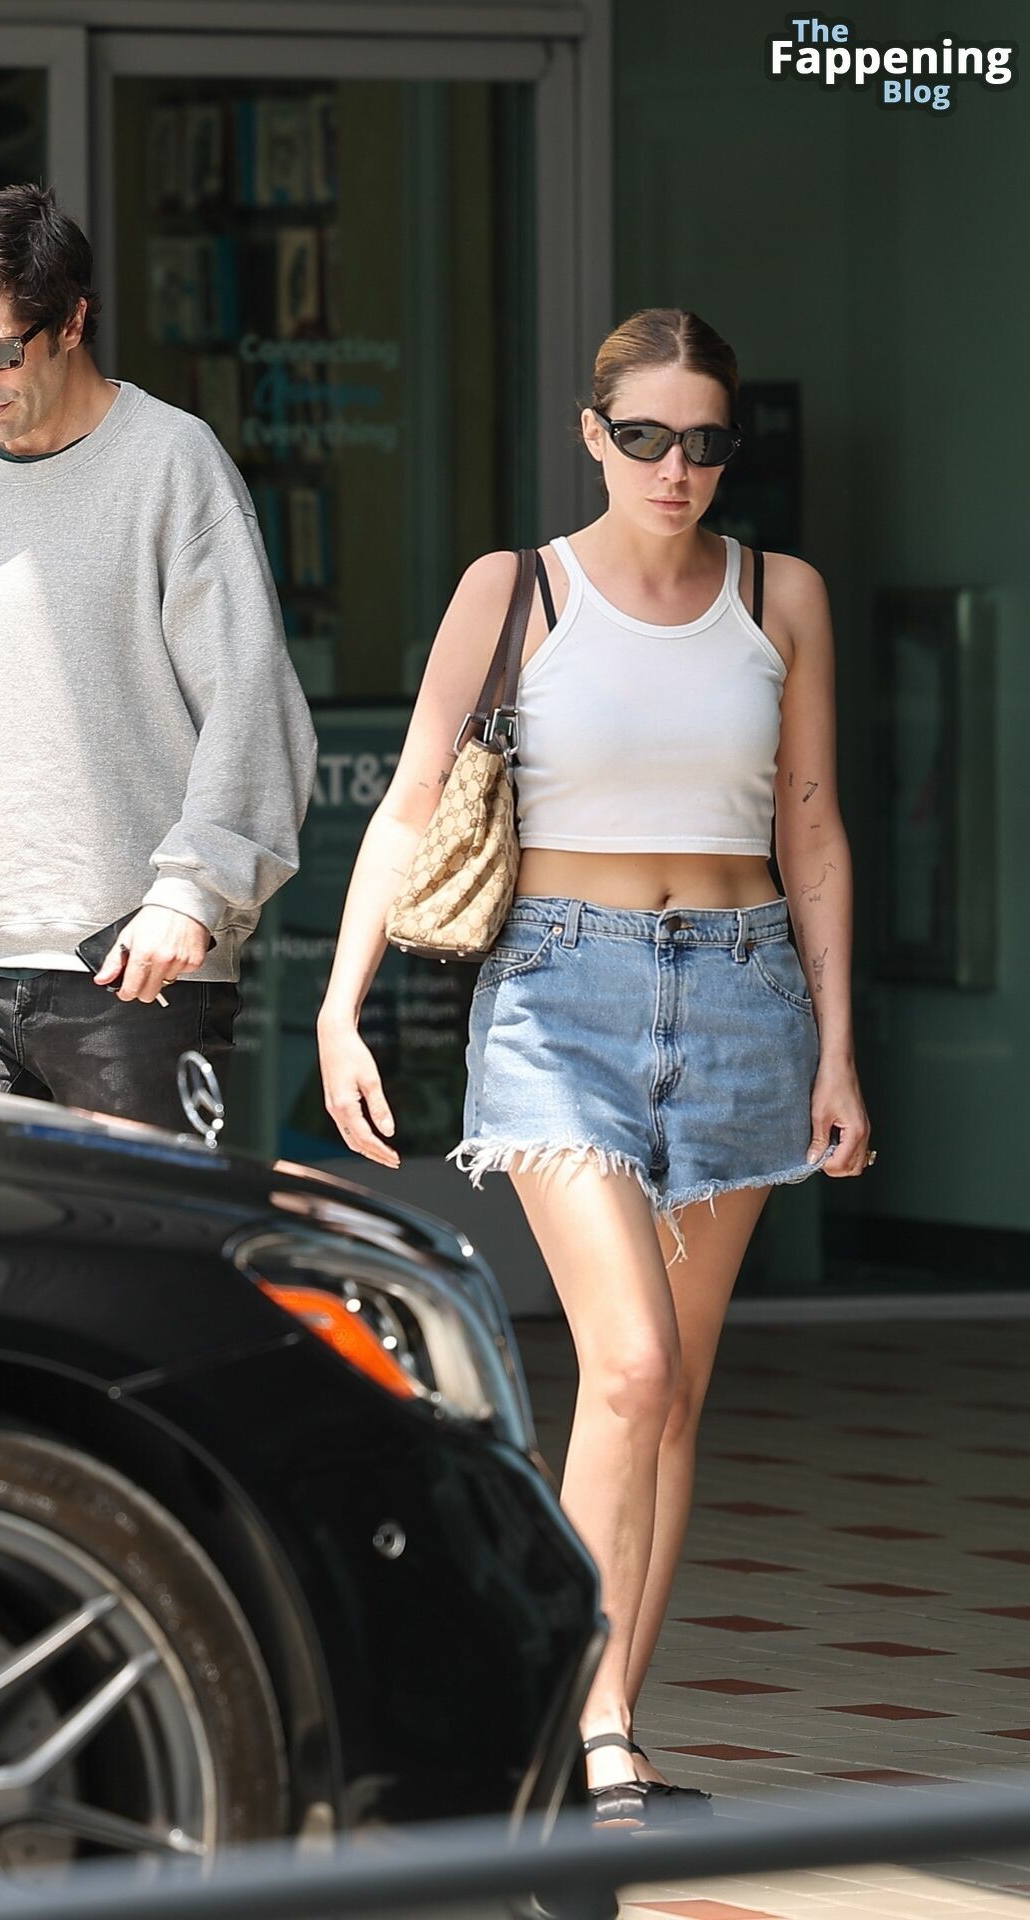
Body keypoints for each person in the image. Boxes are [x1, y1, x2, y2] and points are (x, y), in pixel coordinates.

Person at [316, 307, 873, 1826]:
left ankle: (607, 1723)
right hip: (559, 995)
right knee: (622, 1365)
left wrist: (836, 1050)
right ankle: (576, 1713)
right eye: (642, 437)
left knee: (670, 1396)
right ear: (591, 434)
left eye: (703, 441)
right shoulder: (517, 589)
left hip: (747, 994)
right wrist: (340, 1004)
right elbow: (408, 804)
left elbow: (811, 828)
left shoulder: (781, 596)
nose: (673, 468)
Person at [0, 183, 316, 1128]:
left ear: (71, 320)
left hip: (132, 964)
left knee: (129, 1230)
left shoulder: (173, 463)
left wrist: (192, 895)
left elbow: (250, 707)